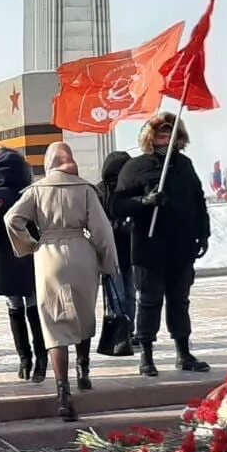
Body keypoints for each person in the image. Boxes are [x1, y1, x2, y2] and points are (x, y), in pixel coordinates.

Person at [4, 142, 119, 422]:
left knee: (54, 324)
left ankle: (63, 393)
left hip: (49, 256)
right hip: (82, 252)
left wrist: (29, 245)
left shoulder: (36, 190)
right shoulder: (85, 189)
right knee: (82, 314)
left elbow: (12, 218)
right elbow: (102, 231)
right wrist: (108, 264)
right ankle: (83, 369)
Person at [112, 113, 211, 377]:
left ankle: (183, 352)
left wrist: (203, 233)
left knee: (179, 300)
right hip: (149, 247)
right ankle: (146, 354)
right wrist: (144, 202)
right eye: (160, 135)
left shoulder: (185, 165)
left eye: (170, 135)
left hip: (181, 246)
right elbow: (117, 204)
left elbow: (198, 200)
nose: (165, 140)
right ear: (150, 138)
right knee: (149, 301)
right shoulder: (135, 167)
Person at [0, 148, 46, 381]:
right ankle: (41, 360)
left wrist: (1, 246)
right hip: (33, 257)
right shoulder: (32, 192)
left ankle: (24, 360)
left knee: (14, 309)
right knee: (34, 308)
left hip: (6, 259)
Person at [98, 150, 136, 356]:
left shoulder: (132, 189)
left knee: (130, 294)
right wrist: (116, 226)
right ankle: (120, 334)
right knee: (117, 295)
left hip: (130, 251)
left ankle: (130, 331)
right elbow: (96, 222)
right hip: (111, 252)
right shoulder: (99, 192)